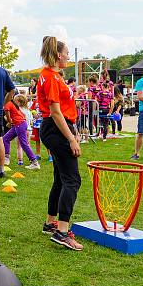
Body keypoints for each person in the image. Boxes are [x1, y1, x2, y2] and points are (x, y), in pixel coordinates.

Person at [37, 36, 83, 251]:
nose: (68, 57)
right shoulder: (52, 77)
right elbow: (56, 112)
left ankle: (50, 222)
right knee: (72, 180)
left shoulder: (51, 75)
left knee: (61, 178)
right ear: (58, 55)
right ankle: (62, 232)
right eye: (66, 54)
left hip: (56, 128)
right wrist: (71, 138)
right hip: (56, 129)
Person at [3, 94, 40, 170]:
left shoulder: (9, 104)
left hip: (20, 125)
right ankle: (6, 157)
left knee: (24, 144)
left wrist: (10, 122)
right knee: (5, 138)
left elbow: (7, 115)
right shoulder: (14, 105)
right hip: (19, 124)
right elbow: (22, 115)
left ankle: (34, 162)